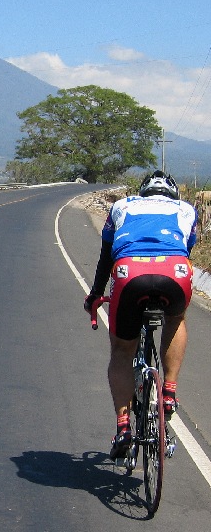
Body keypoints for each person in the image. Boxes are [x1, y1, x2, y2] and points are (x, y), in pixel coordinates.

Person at [84, 170, 198, 460]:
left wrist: (96, 294)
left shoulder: (122, 206)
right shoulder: (187, 210)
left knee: (123, 352)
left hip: (129, 272)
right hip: (174, 270)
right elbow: (185, 248)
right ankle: (169, 391)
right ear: (172, 194)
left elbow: (106, 255)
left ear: (142, 192)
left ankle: (123, 427)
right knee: (176, 318)